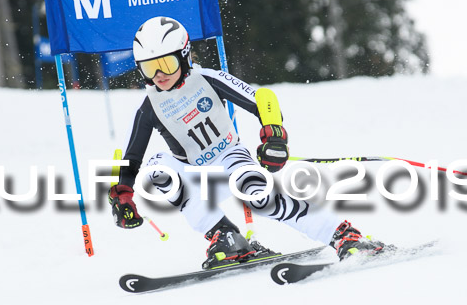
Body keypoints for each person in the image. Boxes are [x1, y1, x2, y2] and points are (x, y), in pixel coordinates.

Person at [108, 16, 387, 269]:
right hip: (192, 173)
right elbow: (131, 156)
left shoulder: (208, 79)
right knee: (158, 169)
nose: (159, 74)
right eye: (149, 68)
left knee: (259, 197)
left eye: (166, 64)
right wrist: (122, 195)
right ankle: (226, 237)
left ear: (184, 56)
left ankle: (342, 235)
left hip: (230, 158)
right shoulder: (149, 107)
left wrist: (273, 135)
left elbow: (262, 100)